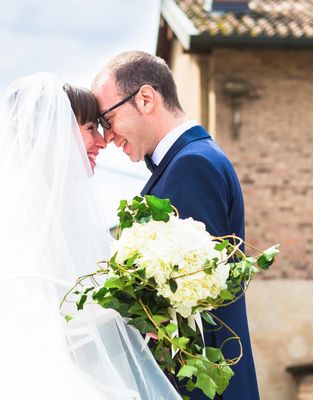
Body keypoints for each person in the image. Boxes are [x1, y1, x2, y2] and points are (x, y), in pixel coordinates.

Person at [0, 74, 181, 400]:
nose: (102, 141)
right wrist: (129, 311)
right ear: (55, 133)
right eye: (90, 129)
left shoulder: (58, 208)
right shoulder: (28, 212)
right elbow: (34, 318)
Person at [93, 51, 260, 400]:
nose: (106, 137)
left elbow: (192, 304)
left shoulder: (192, 166)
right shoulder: (192, 159)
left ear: (145, 98)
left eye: (108, 120)